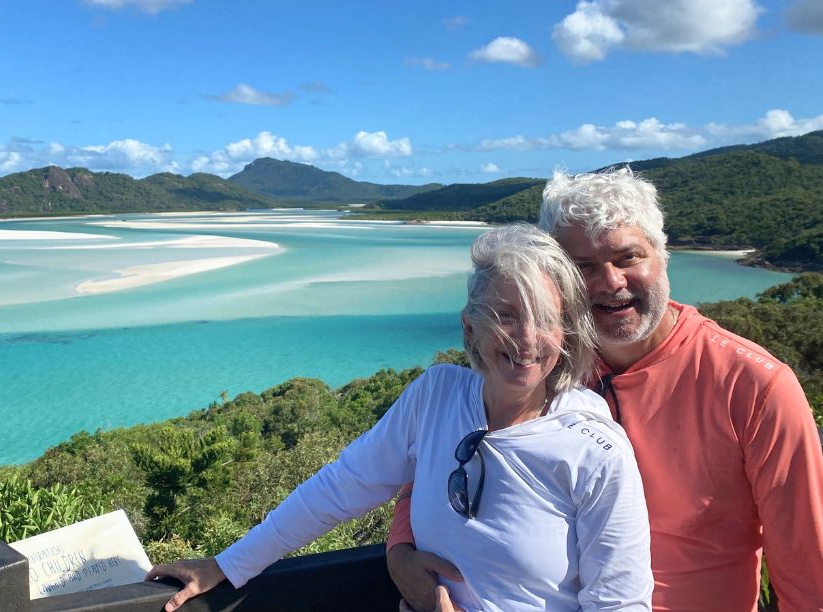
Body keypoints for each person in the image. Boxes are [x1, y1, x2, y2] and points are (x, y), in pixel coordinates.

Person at [147, 224, 653, 611]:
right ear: (469, 328)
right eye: (504, 315)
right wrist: (228, 564)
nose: (526, 339)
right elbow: (342, 487)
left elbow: (620, 602)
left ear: (565, 333)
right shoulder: (436, 396)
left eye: (545, 319)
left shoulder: (594, 448)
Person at [387, 168, 823, 612]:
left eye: (628, 257)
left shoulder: (753, 386)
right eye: (584, 266)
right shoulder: (539, 361)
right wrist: (400, 549)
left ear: (663, 257)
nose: (611, 282)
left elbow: (808, 571)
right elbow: (438, 451)